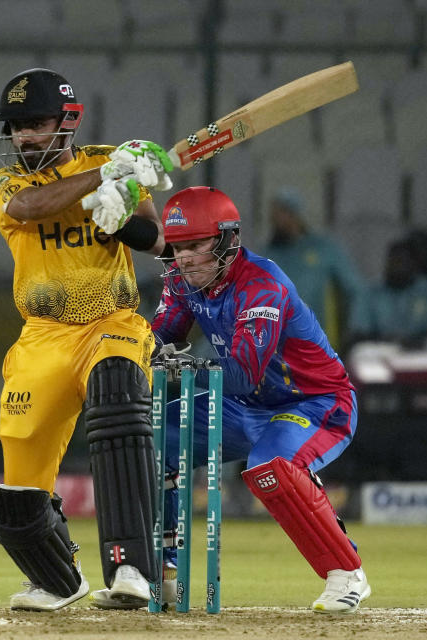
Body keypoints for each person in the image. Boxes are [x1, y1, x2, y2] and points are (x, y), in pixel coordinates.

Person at [95, 186, 371, 613]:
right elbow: (160, 335)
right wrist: (127, 353)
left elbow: (242, 375)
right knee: (151, 441)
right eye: (179, 246)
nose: (184, 257)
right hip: (245, 406)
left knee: (269, 467)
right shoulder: (183, 280)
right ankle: (162, 576)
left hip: (315, 403)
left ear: (227, 240)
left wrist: (177, 367)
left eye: (196, 246)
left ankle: (346, 573)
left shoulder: (262, 285)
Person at [0, 67, 174, 611]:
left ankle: (132, 568)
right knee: (17, 493)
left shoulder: (108, 159)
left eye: (36, 124)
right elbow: (31, 209)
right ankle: (57, 580)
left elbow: (157, 241)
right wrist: (103, 179)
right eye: (17, 126)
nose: (24, 137)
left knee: (116, 392)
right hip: (42, 337)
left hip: (109, 323)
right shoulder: (8, 185)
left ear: (67, 122)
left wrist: (121, 214)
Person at [265, 187, 365, 351]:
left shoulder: (324, 249)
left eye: (280, 213)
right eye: (273, 214)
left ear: (294, 215)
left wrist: (356, 328)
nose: (275, 219)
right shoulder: (268, 255)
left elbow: (355, 289)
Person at [351, 238, 427, 345]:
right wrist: (389, 341)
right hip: (381, 351)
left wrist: (411, 342)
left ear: (415, 264)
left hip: (423, 352)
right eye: (393, 261)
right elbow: (359, 333)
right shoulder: (371, 293)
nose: (396, 267)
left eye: (402, 261)